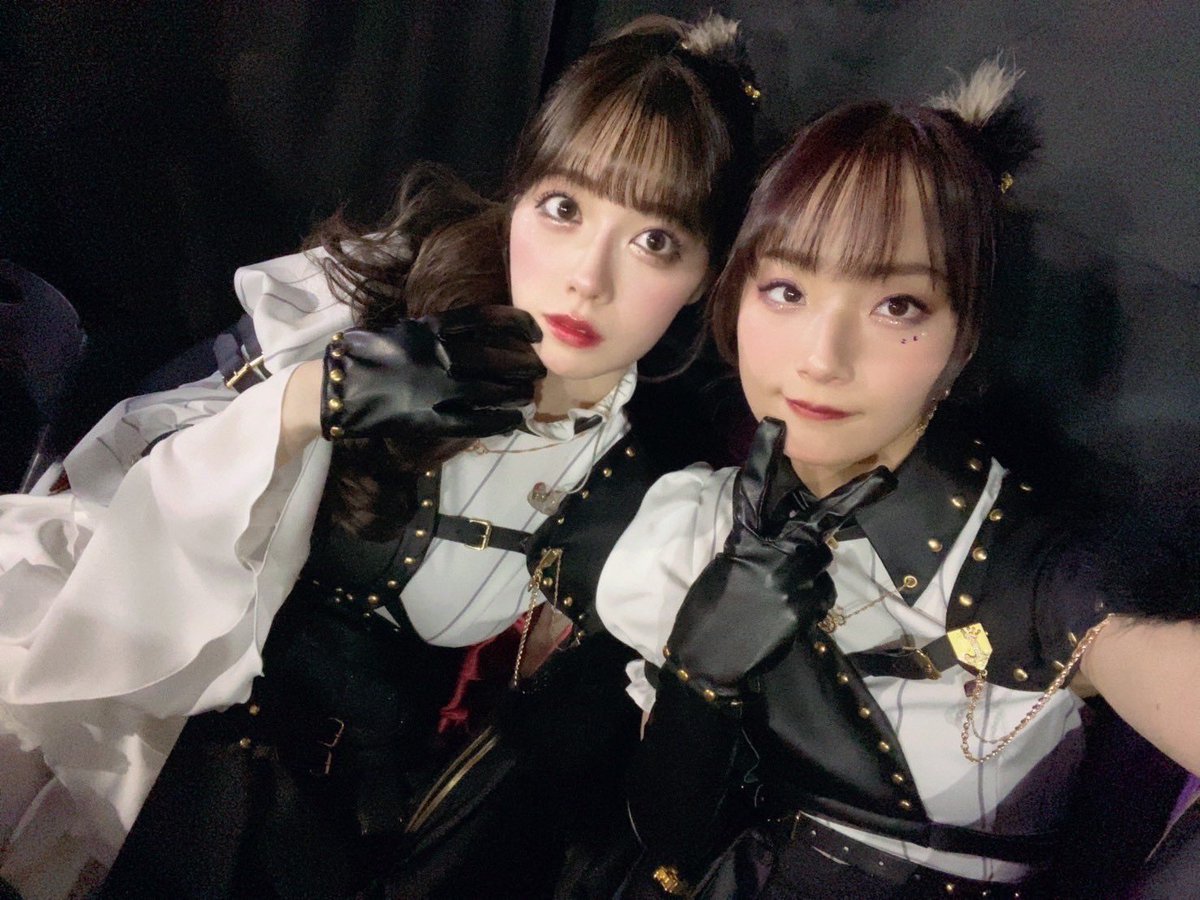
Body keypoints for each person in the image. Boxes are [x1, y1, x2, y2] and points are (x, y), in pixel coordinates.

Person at [0, 13, 759, 898]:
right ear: (517, 199)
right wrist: (309, 400)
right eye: (563, 208)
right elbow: (114, 506)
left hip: (345, 853)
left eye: (654, 241)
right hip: (159, 781)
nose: (587, 277)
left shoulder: (658, 497)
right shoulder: (372, 304)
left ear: (705, 275)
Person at [597, 61, 1200, 898]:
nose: (821, 358)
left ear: (961, 341)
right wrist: (702, 674)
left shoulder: (1034, 572)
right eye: (786, 289)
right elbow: (667, 845)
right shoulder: (692, 527)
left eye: (897, 306)